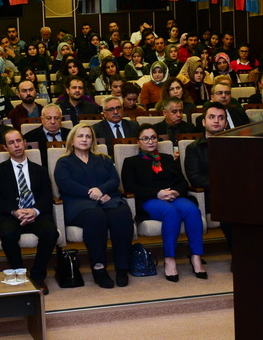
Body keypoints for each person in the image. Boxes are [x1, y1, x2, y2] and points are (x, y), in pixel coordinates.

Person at [54, 124, 134, 289]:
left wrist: (101, 190)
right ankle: (99, 268)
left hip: (107, 198)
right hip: (77, 203)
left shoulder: (103, 159)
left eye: (88, 136)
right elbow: (65, 184)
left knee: (121, 213)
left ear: (93, 141)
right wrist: (92, 193)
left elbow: (114, 180)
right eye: (80, 136)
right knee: (96, 217)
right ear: (72, 140)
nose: (84, 139)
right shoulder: (64, 162)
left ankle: (122, 268)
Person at [122, 125, 206, 282]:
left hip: (173, 196)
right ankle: (170, 259)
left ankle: (196, 257)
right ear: (138, 142)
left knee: (192, 210)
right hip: (149, 199)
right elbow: (130, 187)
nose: (150, 141)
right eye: (145, 138)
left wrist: (175, 192)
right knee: (171, 212)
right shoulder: (131, 162)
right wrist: (157, 193)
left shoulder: (167, 159)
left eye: (153, 137)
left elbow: (182, 182)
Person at [0, 130, 58, 294]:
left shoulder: (40, 170)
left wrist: (34, 210)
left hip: (36, 213)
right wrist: (15, 211)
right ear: (5, 147)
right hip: (11, 215)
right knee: (7, 234)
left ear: (25, 143)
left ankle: (38, 276)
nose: (16, 145)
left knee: (51, 232)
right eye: (11, 143)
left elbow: (47, 197)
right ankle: (20, 274)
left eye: (19, 141)